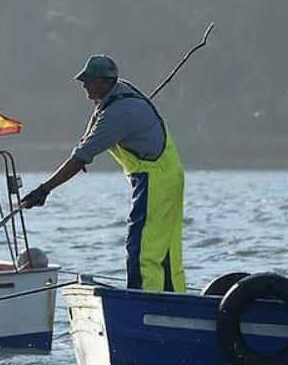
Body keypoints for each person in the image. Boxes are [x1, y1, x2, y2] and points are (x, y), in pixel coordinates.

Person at [22, 54, 186, 292]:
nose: (84, 85)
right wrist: (87, 143)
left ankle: (143, 302)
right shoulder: (120, 92)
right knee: (165, 248)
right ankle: (174, 300)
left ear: (106, 82)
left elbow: (81, 156)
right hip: (169, 175)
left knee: (142, 249)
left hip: (154, 181)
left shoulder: (119, 113)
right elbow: (95, 124)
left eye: (89, 80)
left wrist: (44, 189)